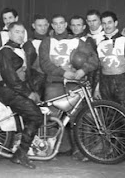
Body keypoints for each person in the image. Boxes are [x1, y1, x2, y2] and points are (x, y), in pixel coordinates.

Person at [39, 14, 99, 157]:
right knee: (51, 118)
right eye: (55, 24)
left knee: (77, 118)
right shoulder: (47, 42)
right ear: (52, 26)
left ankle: (80, 151)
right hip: (54, 83)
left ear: (66, 25)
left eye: (61, 23)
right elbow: (44, 63)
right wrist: (62, 72)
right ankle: (46, 150)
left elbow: (94, 59)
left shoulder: (76, 41)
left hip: (73, 84)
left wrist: (83, 70)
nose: (59, 26)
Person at [93, 11, 125, 167]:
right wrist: (97, 87)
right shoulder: (99, 42)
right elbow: (98, 68)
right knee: (109, 121)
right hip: (105, 83)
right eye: (104, 23)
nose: (106, 26)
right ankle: (115, 151)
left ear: (116, 23)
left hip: (122, 82)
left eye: (109, 22)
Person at [0, 21, 43, 169]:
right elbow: (11, 79)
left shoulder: (18, 50)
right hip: (7, 91)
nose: (20, 34)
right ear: (9, 33)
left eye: (22, 32)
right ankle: (21, 154)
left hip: (15, 90)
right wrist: (29, 93)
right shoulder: (5, 52)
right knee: (36, 116)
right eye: (17, 32)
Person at [22, 14, 49, 98]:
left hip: (52, 81)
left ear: (48, 25)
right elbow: (28, 69)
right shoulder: (29, 44)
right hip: (36, 83)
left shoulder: (53, 41)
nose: (43, 28)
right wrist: (32, 87)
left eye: (45, 25)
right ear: (34, 26)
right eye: (40, 25)